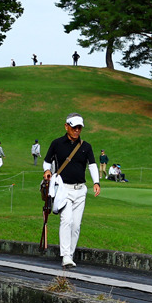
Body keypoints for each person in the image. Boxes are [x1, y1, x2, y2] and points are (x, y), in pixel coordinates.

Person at [43, 113, 101, 269]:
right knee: (66, 220)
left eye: (79, 127)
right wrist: (47, 171)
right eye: (74, 127)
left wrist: (96, 182)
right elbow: (46, 162)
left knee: (76, 225)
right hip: (63, 190)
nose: (77, 130)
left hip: (80, 190)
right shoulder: (57, 143)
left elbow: (92, 165)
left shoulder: (86, 146)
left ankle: (70, 254)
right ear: (66, 126)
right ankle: (66, 256)